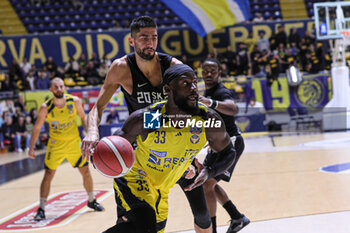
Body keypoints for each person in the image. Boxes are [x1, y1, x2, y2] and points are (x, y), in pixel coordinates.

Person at [82, 16, 214, 233]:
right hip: (142, 154)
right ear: (131, 41)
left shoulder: (173, 67)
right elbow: (98, 106)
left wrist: (199, 153)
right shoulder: (121, 68)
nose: (150, 43)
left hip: (175, 149)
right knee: (137, 222)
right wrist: (92, 132)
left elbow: (196, 110)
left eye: (154, 37)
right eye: (144, 38)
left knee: (201, 212)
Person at [82, 64, 237, 233]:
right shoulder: (152, 118)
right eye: (185, 83)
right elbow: (116, 143)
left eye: (195, 82)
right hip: (134, 178)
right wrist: (97, 154)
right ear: (168, 89)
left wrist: (208, 171)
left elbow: (228, 152)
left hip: (162, 187)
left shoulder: (207, 120)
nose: (193, 88)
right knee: (143, 225)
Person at [28, 77, 104, 221]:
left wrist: (90, 135)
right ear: (51, 90)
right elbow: (37, 127)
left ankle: (91, 200)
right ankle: (42, 208)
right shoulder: (46, 107)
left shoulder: (74, 101)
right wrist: (31, 147)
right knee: (48, 174)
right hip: (55, 145)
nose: (59, 89)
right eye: (56, 87)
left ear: (65, 88)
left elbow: (83, 118)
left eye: (61, 86)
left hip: (74, 143)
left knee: (86, 172)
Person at [199, 59, 250, 233]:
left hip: (231, 145)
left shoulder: (221, 92)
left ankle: (212, 229)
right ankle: (237, 217)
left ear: (219, 73)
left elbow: (233, 109)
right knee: (208, 184)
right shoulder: (207, 91)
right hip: (218, 145)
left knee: (206, 184)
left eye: (213, 70)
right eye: (205, 70)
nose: (208, 74)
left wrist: (210, 103)